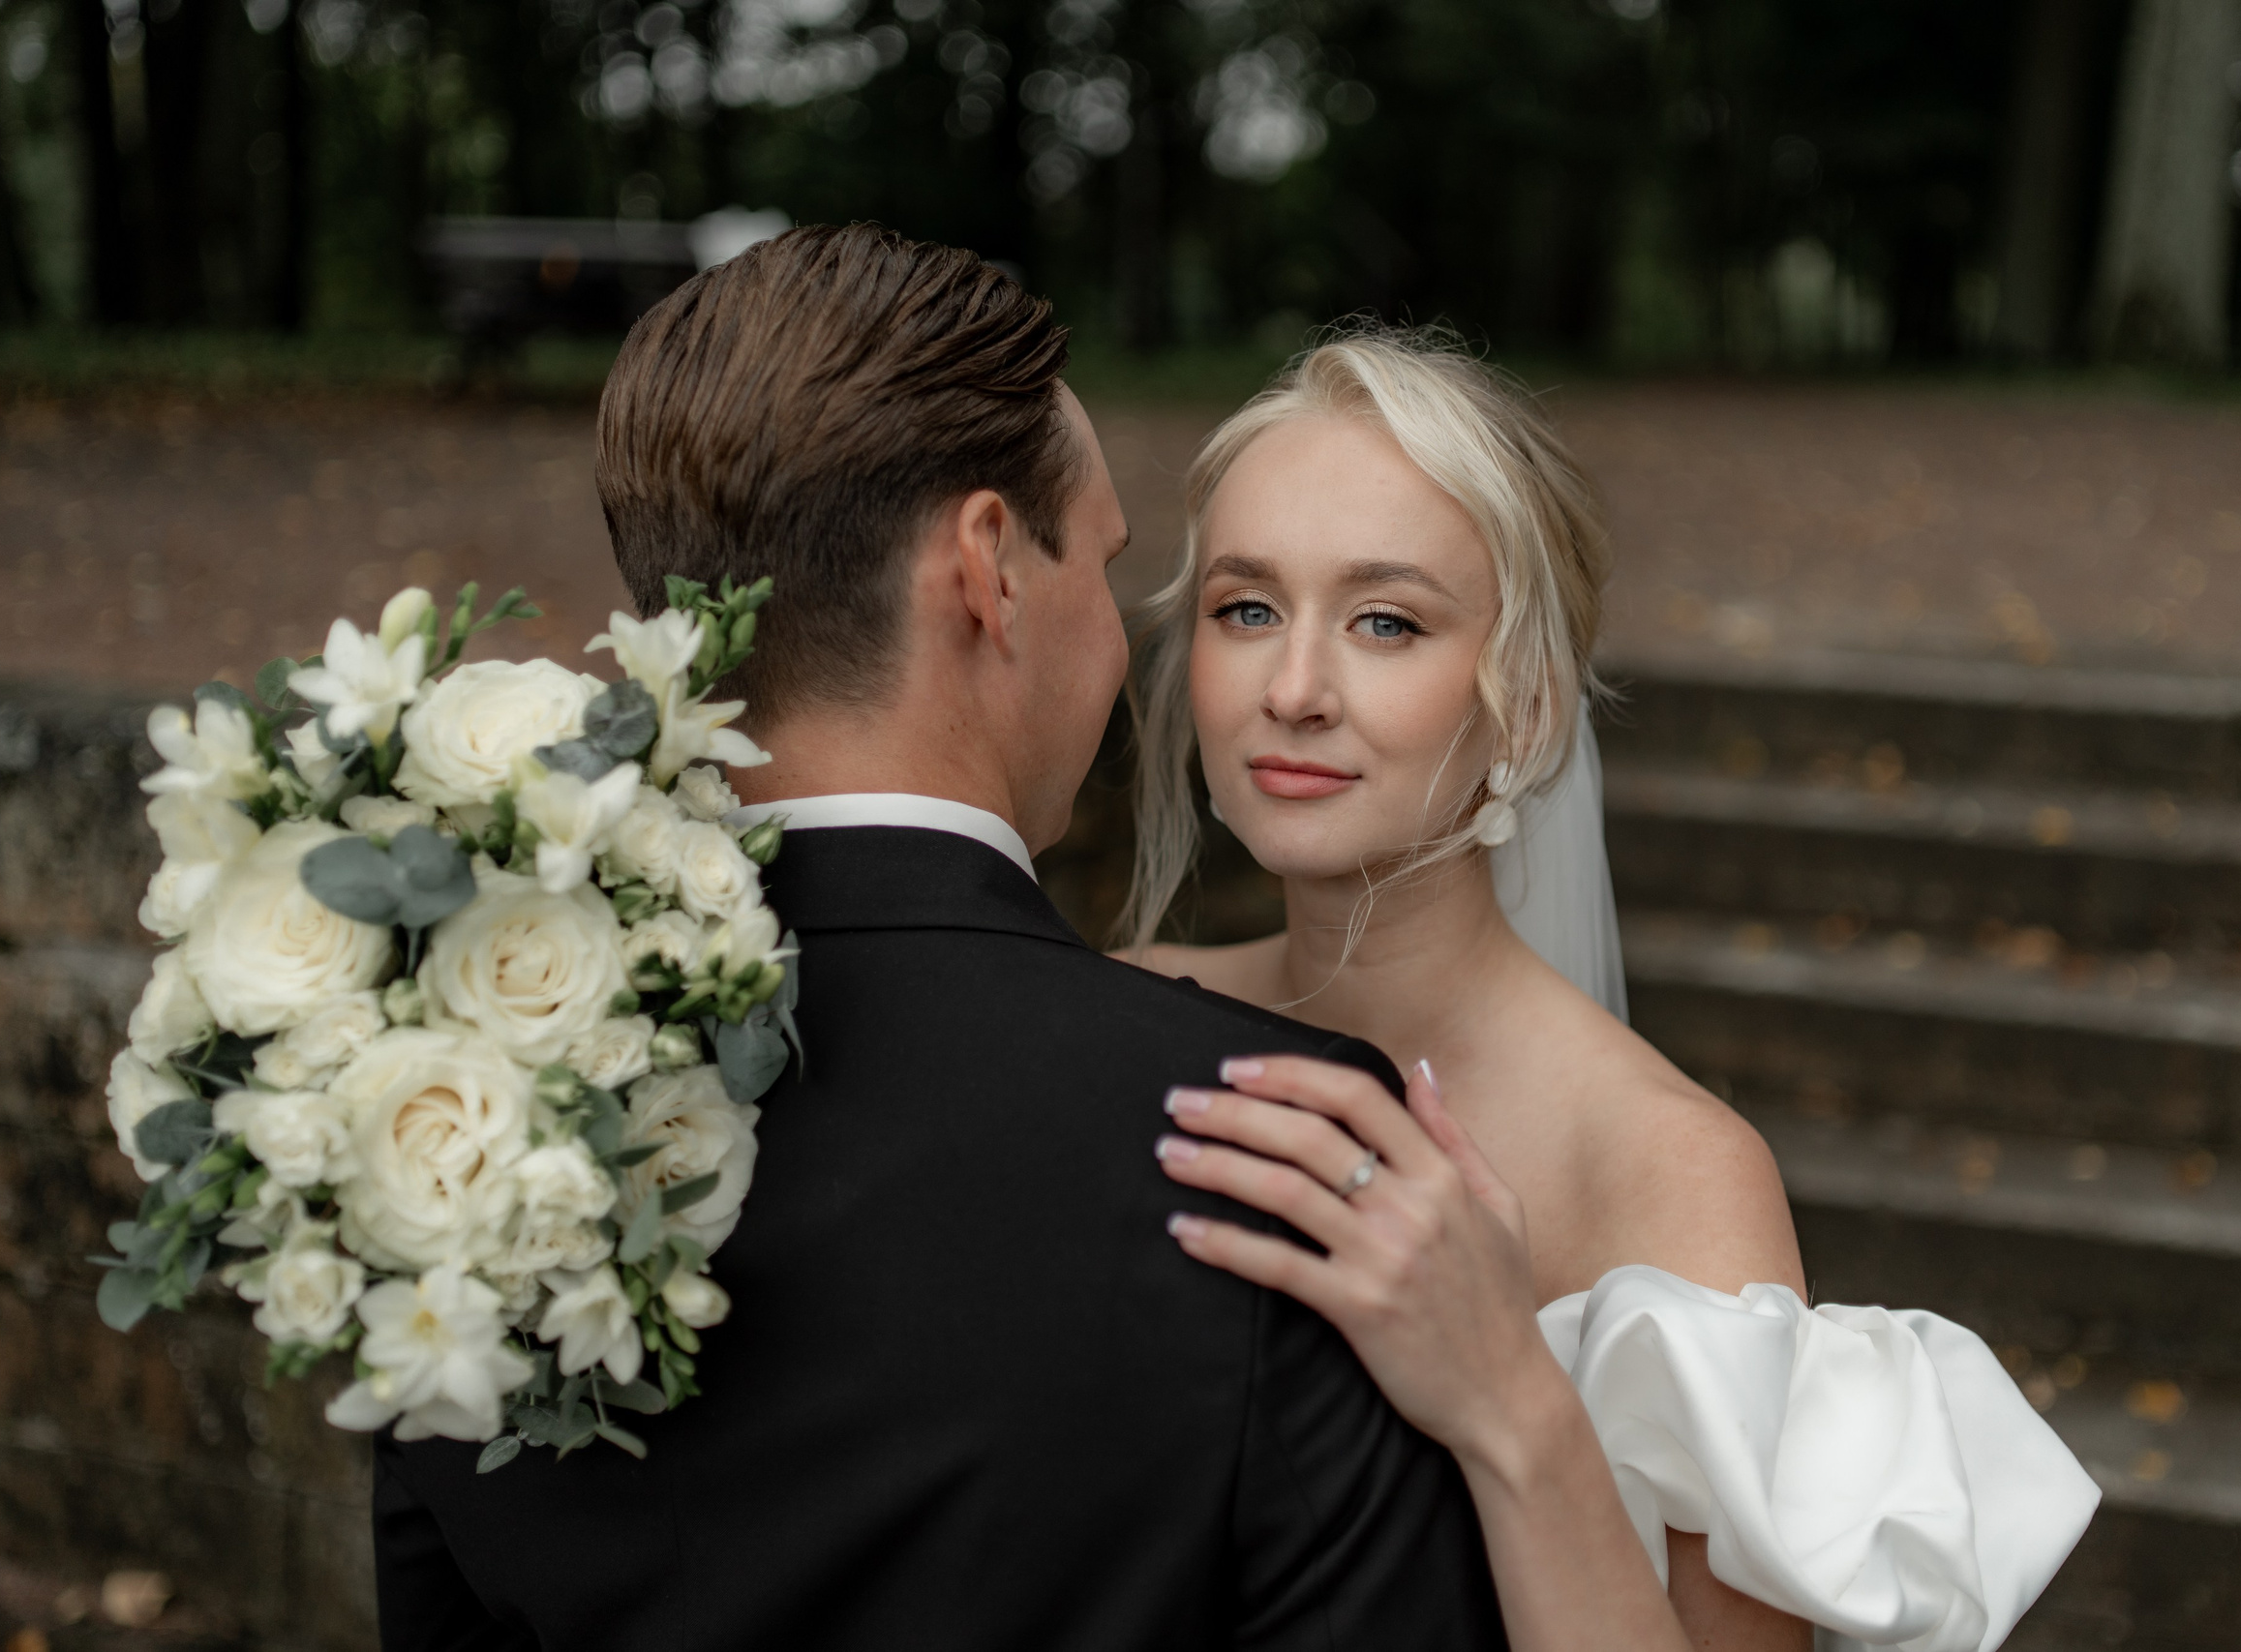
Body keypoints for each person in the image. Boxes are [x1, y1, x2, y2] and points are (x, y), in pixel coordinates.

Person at [367, 230, 1509, 1650]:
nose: (1120, 628)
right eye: (1102, 559)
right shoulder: (1275, 1154)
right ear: (989, 569)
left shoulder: (440, 1124)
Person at [1123, 330, 2102, 1652]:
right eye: (1248, 609)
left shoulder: (1667, 1171)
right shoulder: (1122, 1017)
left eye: (1387, 622)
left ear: (1525, 708)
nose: (1293, 690)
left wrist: (1508, 1397)